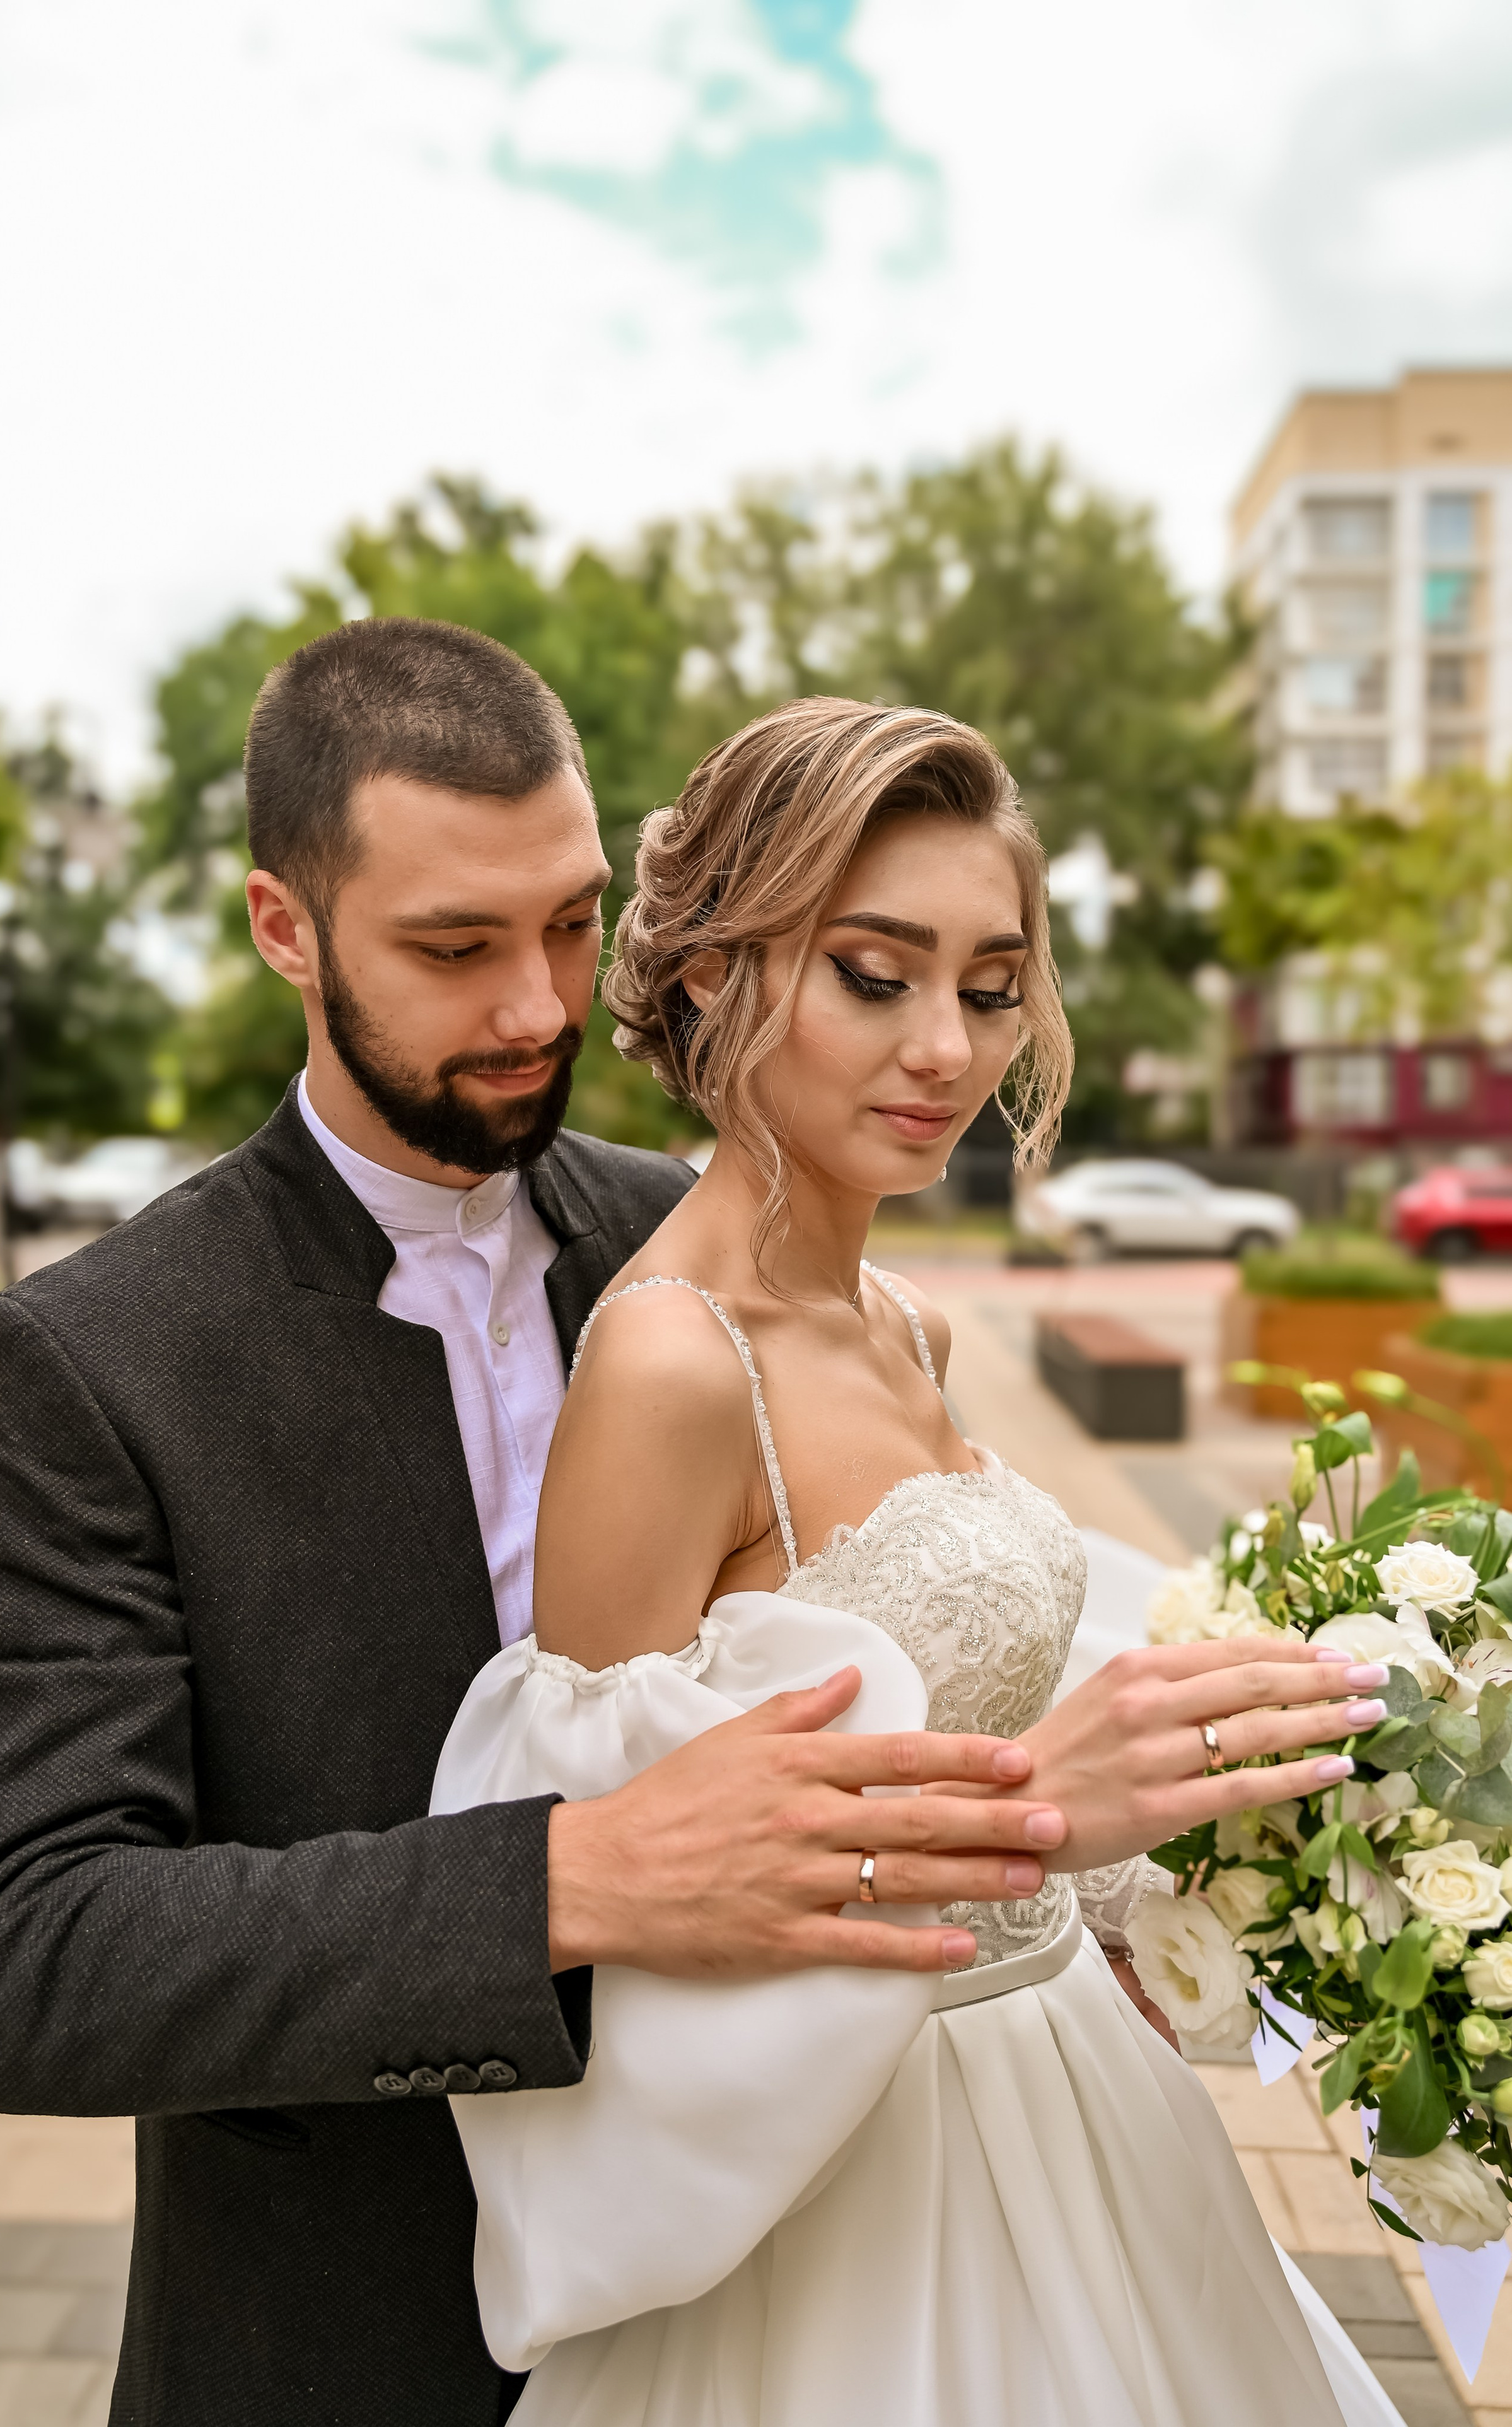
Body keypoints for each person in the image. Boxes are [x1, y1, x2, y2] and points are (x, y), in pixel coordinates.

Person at [0, 621, 1376, 2427]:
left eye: (568, 920)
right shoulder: (104, 1358)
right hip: (342, 2332)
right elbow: (23, 1956)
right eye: (455, 948)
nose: (539, 1005)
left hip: (824, 2265)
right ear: (284, 928)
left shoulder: (734, 1242)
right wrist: (567, 1882)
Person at [431, 694, 1404, 2427]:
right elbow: (626, 1908)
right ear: (720, 976)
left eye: (991, 981)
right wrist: (1038, 1806)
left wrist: (1211, 1831)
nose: (946, 1046)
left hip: (1084, 2111)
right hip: (845, 2214)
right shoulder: (671, 1366)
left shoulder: (909, 1322)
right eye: (877, 975)